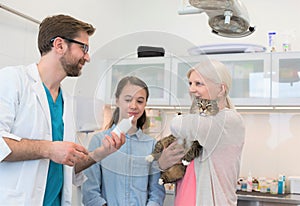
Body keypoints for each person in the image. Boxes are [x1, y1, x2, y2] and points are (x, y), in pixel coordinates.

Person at [0, 14, 125, 206]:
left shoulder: (67, 100)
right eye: (83, 48)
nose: (87, 57)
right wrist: (48, 149)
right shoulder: (13, 81)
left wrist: (101, 152)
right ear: (59, 45)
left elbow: (67, 166)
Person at [158, 60, 245, 206]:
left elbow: (177, 124)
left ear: (221, 89)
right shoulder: (201, 121)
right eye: (190, 83)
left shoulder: (229, 120)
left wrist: (180, 119)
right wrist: (163, 162)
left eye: (199, 84)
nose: (191, 89)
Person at [82, 76, 166, 206]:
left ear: (145, 104)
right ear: (117, 100)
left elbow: (156, 192)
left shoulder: (151, 145)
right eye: (127, 100)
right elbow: (90, 192)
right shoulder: (99, 141)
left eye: (139, 101)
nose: (133, 106)